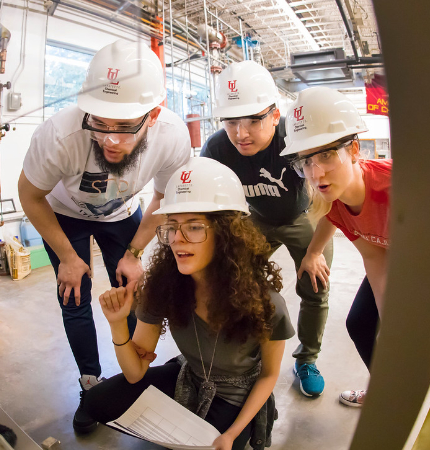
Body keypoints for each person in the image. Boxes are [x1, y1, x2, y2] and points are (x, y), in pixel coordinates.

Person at [18, 39, 190, 432]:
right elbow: (30, 193)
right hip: (64, 215)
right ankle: (90, 381)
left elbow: (164, 199)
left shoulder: (172, 137)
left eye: (125, 126)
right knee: (74, 293)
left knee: (129, 290)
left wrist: (134, 252)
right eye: (100, 122)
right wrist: (66, 257)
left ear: (154, 113)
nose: (110, 138)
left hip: (123, 214)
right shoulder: (59, 135)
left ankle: (133, 379)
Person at [280, 86, 430, 407]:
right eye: (307, 162)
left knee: (418, 333)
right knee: (362, 324)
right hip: (399, 251)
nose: (316, 173)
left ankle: (428, 401)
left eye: (326, 155)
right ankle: (385, 393)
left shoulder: (397, 188)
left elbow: (429, 258)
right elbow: (374, 257)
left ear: (354, 150)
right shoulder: (335, 202)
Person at [85, 157, 294, 450]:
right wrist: (118, 323)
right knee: (96, 401)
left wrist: (231, 434)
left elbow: (269, 375)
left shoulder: (266, 303)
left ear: (226, 233)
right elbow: (135, 373)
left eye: (194, 227)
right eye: (172, 227)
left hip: (235, 396)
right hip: (189, 376)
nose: (177, 240)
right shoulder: (164, 287)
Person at [201, 61, 332, 397]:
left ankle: (306, 359)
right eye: (231, 121)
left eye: (255, 120)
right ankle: (244, 353)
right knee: (233, 279)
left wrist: (315, 251)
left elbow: (335, 195)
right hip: (255, 218)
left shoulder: (299, 137)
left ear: (275, 115)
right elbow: (206, 204)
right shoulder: (217, 149)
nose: (241, 133)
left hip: (305, 216)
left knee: (315, 286)